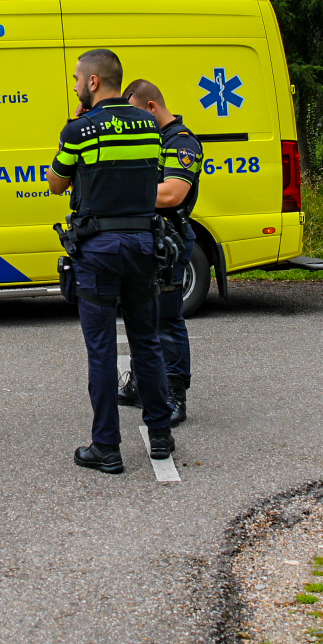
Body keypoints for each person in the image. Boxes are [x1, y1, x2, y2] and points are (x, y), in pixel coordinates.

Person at [49, 49, 174, 474]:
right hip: (143, 245)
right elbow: (151, 176)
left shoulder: (79, 129)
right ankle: (160, 436)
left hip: (99, 249)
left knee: (101, 352)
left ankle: (107, 448)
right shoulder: (148, 125)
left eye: (77, 79)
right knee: (147, 343)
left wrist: (74, 133)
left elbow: (55, 183)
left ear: (94, 82)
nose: (75, 85)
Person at [117, 78, 200, 426]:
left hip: (170, 242)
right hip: (144, 240)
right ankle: (140, 382)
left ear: (152, 107)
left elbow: (171, 194)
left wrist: (117, 192)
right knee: (139, 317)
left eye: (136, 114)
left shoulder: (182, 143)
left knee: (167, 319)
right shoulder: (149, 141)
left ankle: (173, 393)